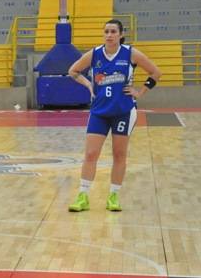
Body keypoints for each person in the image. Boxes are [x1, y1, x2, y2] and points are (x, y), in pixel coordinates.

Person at [67, 19, 162, 212]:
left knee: (119, 155)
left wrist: (139, 92)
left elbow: (155, 73)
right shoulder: (95, 54)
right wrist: (88, 85)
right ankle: (83, 196)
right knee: (91, 154)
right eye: (106, 32)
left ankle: (114, 196)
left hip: (123, 112)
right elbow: (73, 71)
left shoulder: (130, 53)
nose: (109, 35)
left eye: (113, 32)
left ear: (120, 34)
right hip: (99, 111)